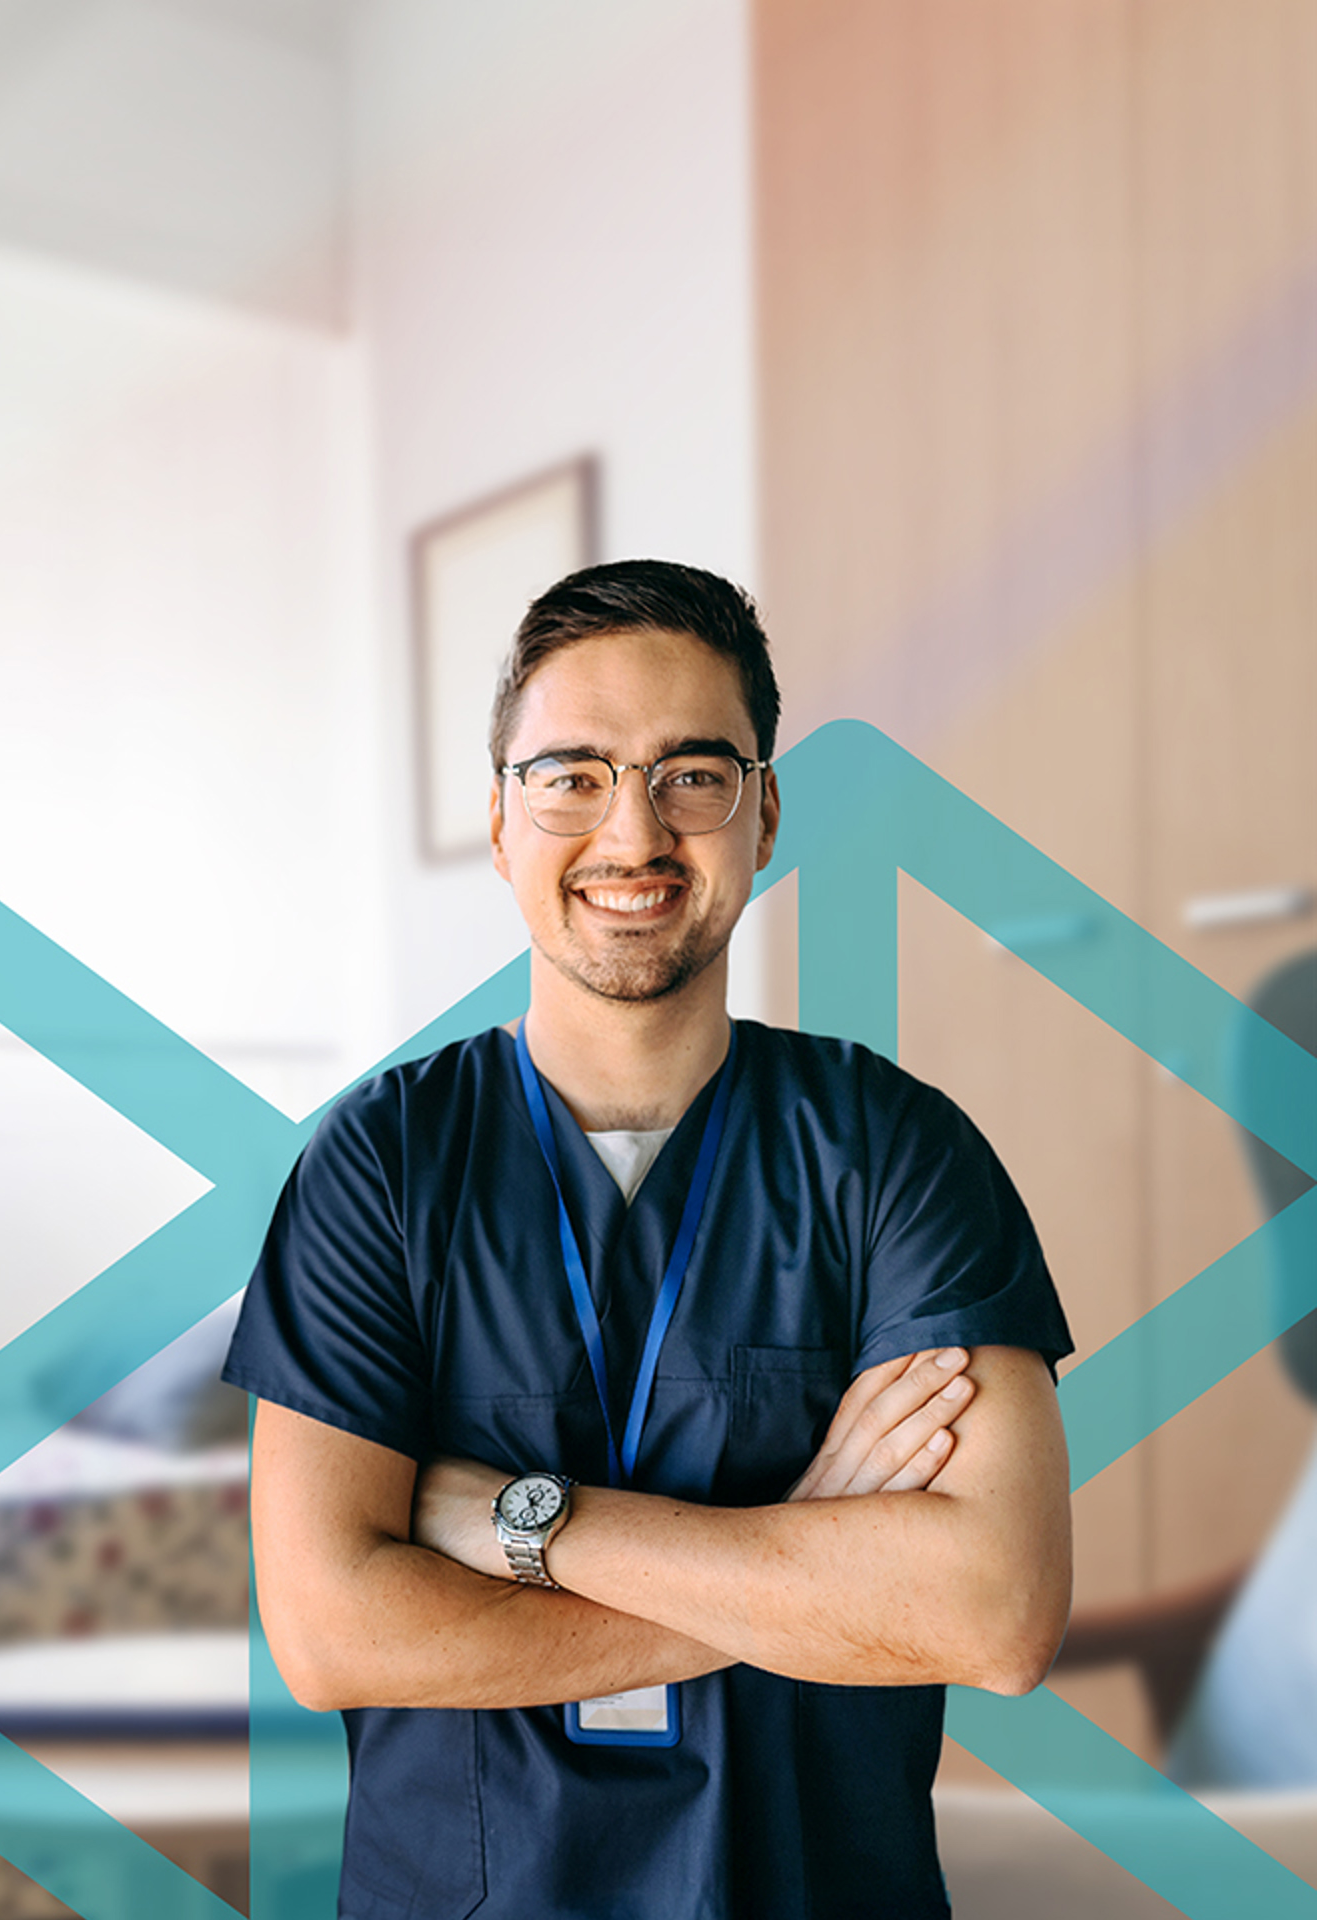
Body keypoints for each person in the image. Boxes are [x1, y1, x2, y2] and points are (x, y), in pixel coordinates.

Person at [223, 560, 1075, 1918]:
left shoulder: (895, 1154)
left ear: (765, 813)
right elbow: (330, 1633)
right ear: (500, 820)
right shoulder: (378, 1164)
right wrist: (804, 1558)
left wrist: (516, 1523)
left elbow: (997, 1614)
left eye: (692, 775)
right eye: (571, 775)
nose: (635, 832)